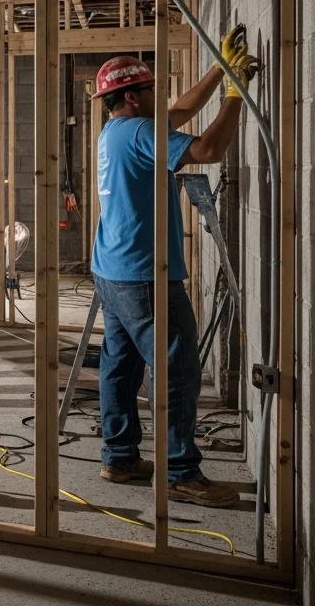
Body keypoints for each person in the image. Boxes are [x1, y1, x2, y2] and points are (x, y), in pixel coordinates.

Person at [91, 26, 258, 508]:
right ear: (132, 95)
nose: (157, 96)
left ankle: (120, 457)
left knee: (120, 368)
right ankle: (180, 472)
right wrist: (235, 95)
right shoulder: (143, 132)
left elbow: (179, 112)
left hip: (112, 271)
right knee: (177, 370)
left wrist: (219, 71)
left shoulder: (115, 131)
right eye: (150, 89)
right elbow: (208, 151)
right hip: (145, 274)